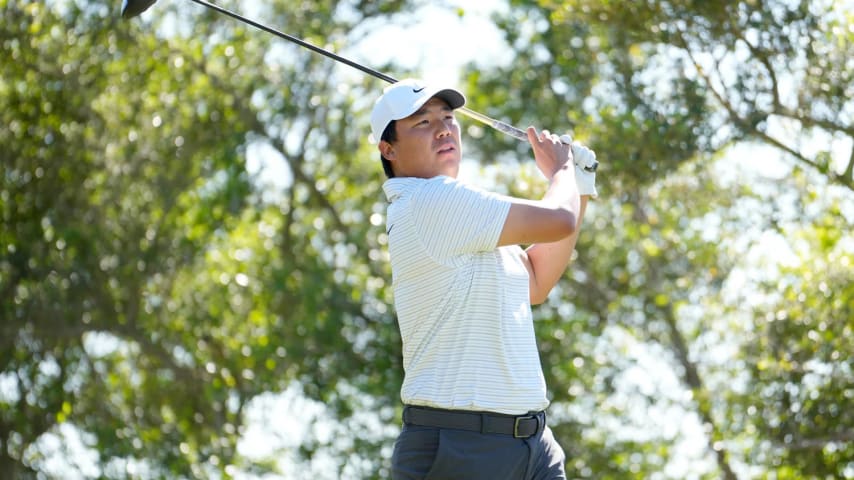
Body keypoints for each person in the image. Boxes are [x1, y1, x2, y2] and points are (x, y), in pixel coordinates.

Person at [370, 78, 598, 480]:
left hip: (533, 446)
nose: (443, 128)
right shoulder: (428, 200)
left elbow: (536, 280)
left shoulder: (463, 213)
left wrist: (577, 184)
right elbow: (558, 220)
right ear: (388, 149)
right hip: (459, 449)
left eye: (447, 117)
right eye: (422, 123)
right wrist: (562, 170)